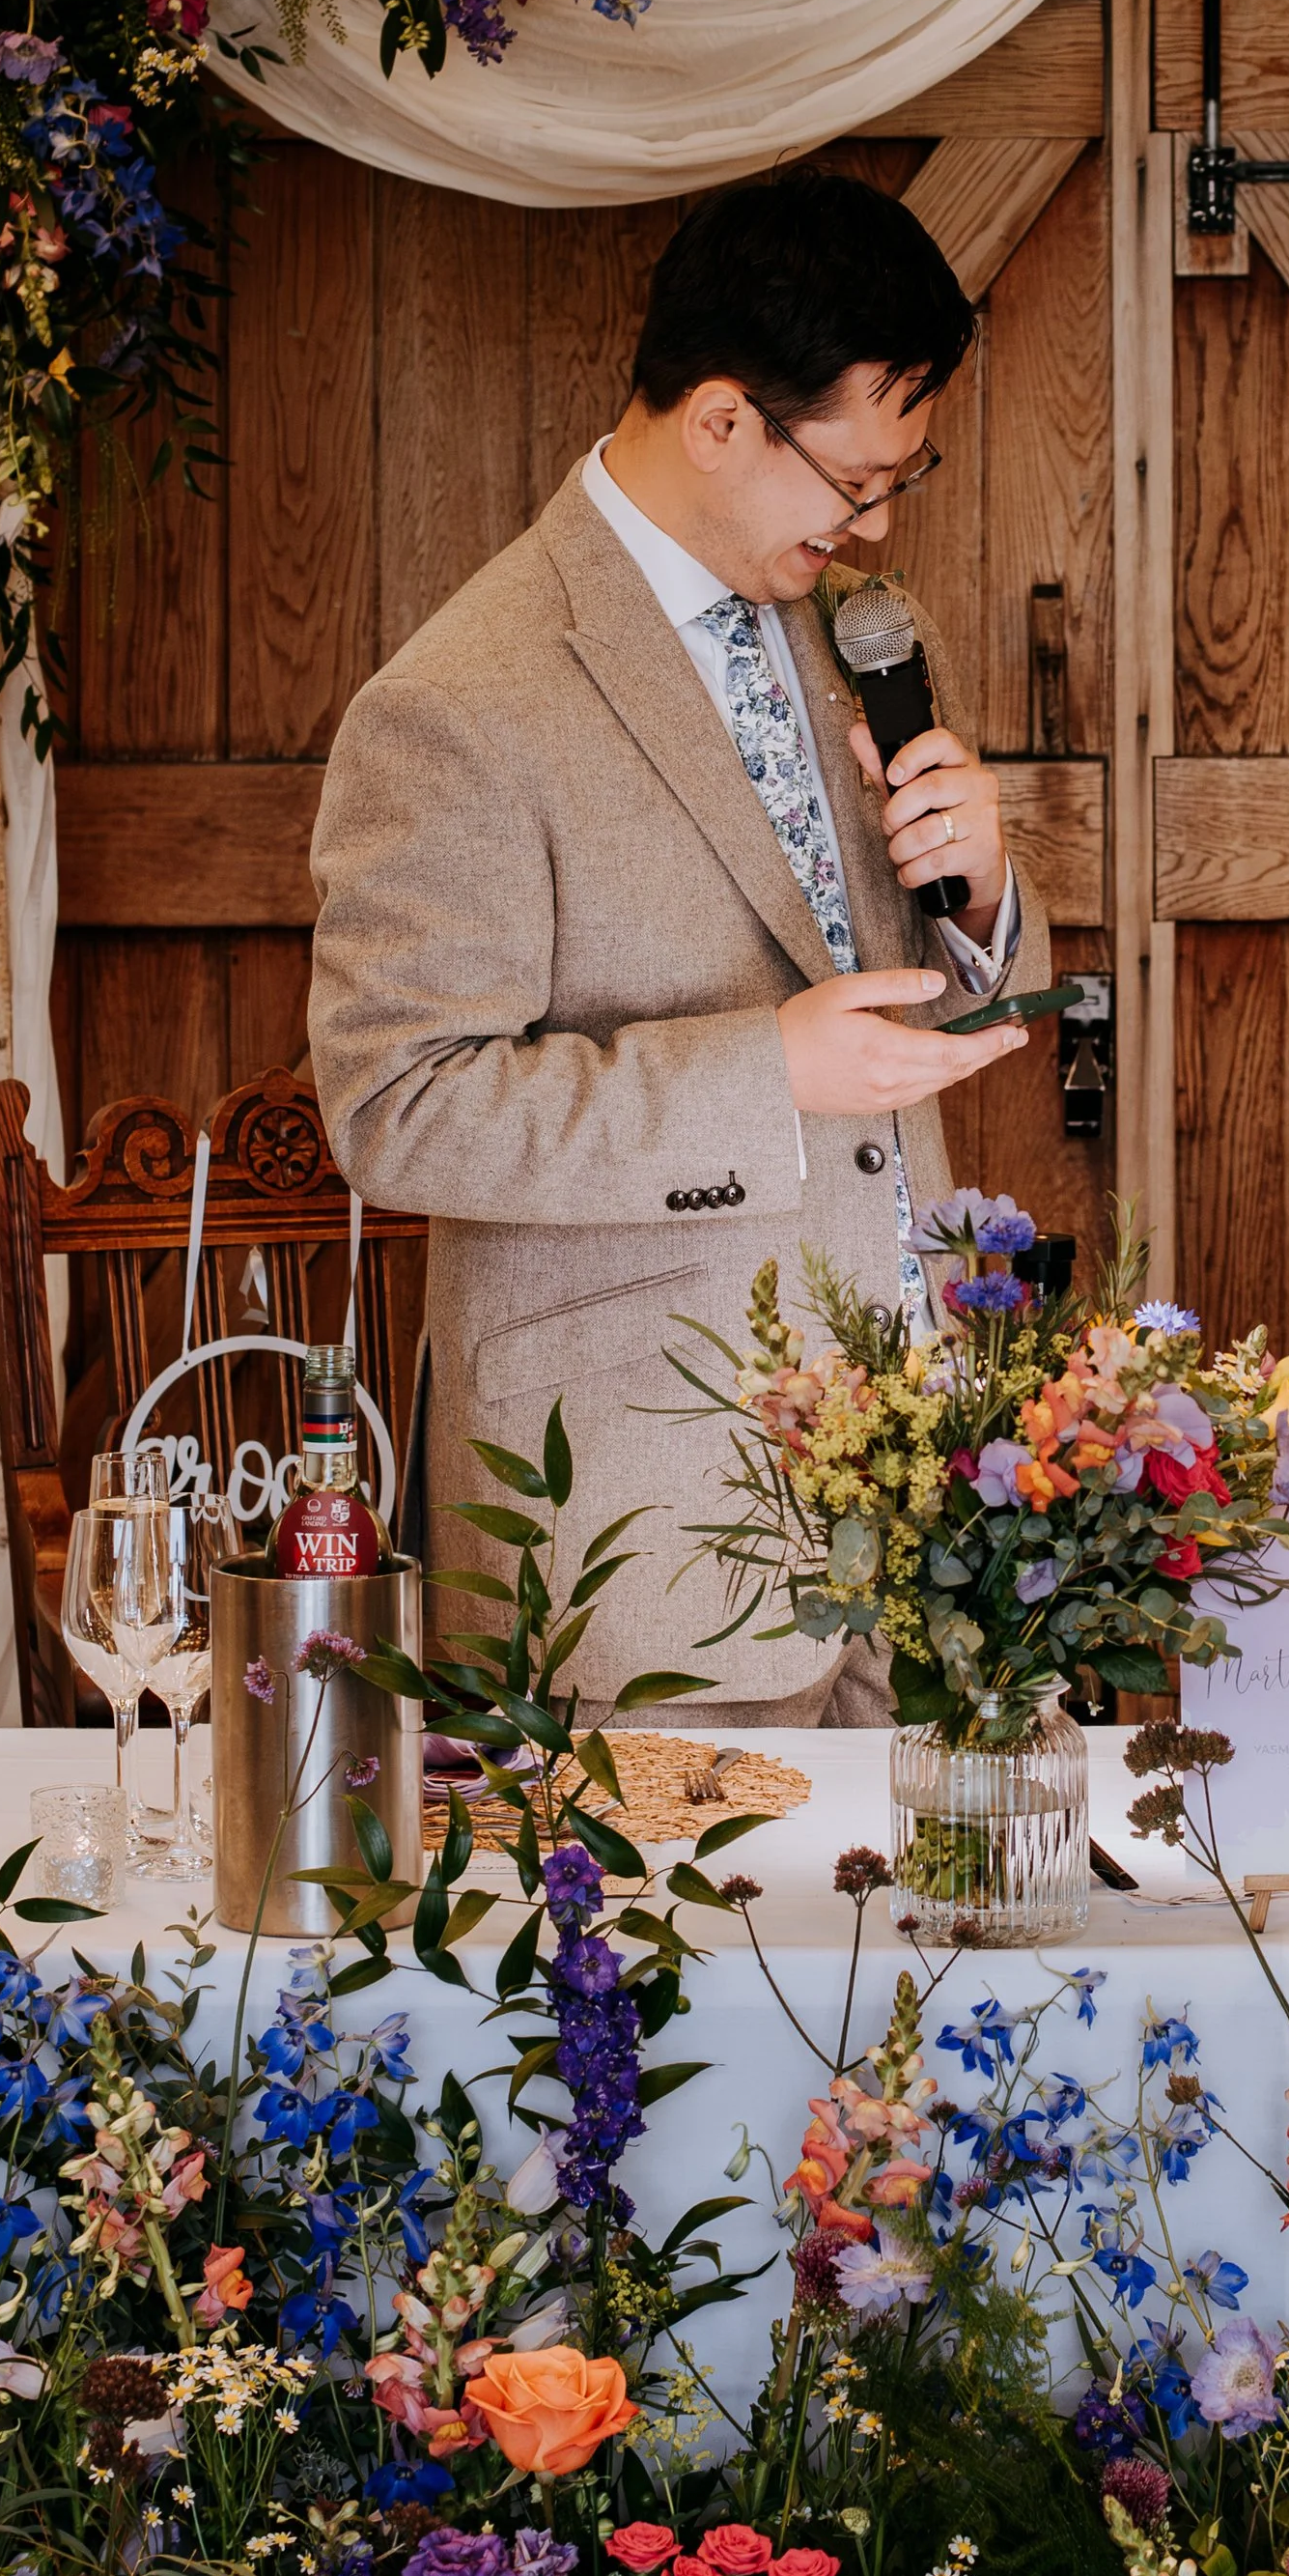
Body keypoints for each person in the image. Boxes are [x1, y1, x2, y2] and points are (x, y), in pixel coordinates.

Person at [308, 169, 1049, 1722]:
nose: (880, 525)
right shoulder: (458, 702)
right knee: (699, 1976)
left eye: (905, 478)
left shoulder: (848, 623)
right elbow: (398, 1108)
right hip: (640, 1536)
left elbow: (911, 993)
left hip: (922, 1511)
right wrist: (761, 1072)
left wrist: (979, 893)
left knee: (950, 1968)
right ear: (722, 418)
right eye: (856, 482)